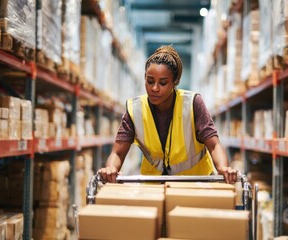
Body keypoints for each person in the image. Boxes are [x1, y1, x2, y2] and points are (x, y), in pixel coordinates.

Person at [99, 45, 238, 184]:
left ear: (175, 82)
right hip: (153, 187)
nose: (154, 88)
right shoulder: (135, 109)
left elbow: (214, 145)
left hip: (194, 185)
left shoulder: (192, 103)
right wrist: (111, 168)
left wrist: (223, 168)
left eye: (163, 83)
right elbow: (117, 152)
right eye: (150, 81)